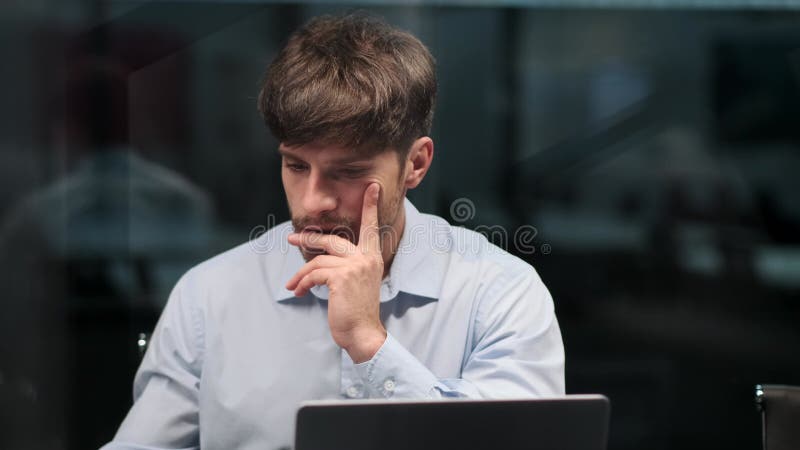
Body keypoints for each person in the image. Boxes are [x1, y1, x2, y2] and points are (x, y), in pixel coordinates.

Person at [102, 13, 564, 450]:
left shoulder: (502, 294)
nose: (312, 201)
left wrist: (369, 343)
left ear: (416, 164)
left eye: (347, 171)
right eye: (296, 165)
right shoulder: (208, 296)